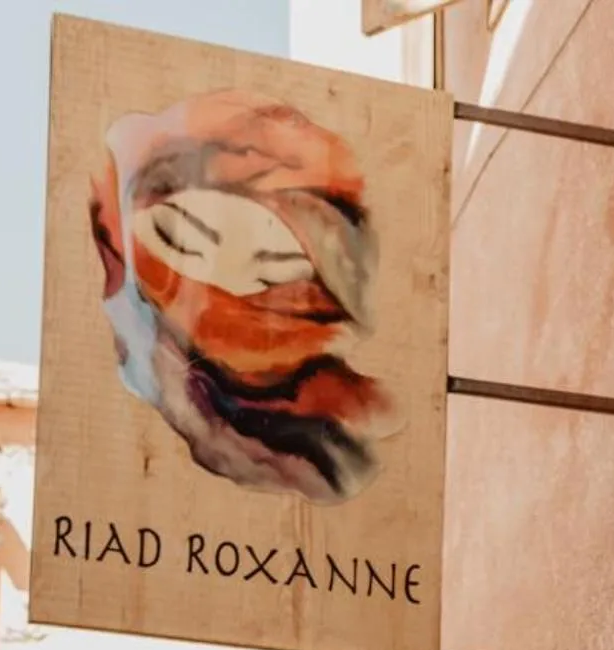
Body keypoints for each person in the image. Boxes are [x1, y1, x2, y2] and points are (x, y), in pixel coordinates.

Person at [89, 89, 401, 504]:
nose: (229, 285)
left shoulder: (359, 431)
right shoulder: (148, 378)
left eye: (273, 268)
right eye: (183, 240)